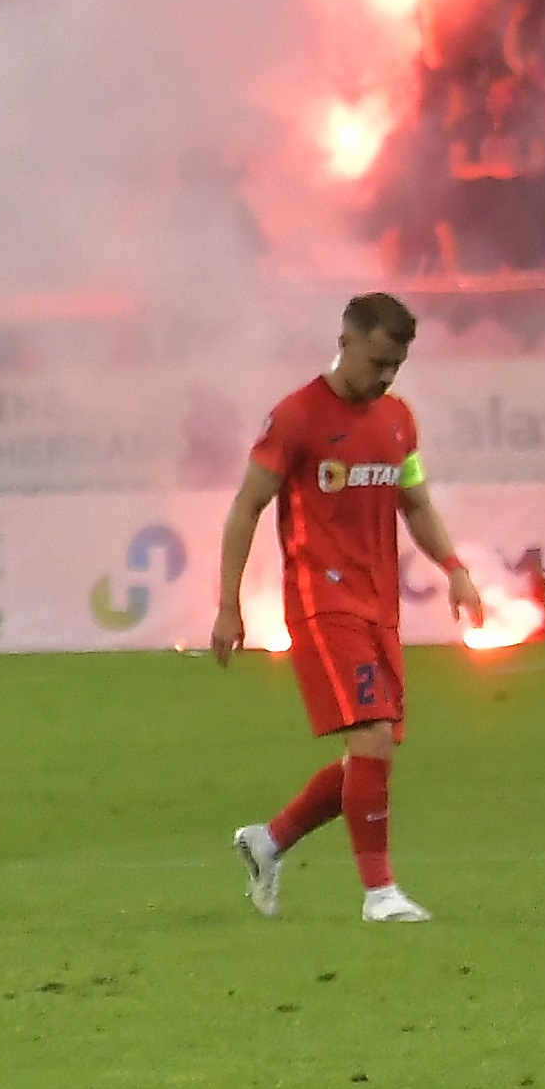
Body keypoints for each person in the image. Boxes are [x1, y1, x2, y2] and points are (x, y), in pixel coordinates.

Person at [214, 293, 489, 925]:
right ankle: (379, 894)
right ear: (345, 341)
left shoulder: (398, 422)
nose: (387, 376)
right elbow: (245, 507)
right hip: (321, 602)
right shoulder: (297, 417)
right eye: (379, 361)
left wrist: (456, 570)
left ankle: (269, 841)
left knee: (376, 749)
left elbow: (414, 502)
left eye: (398, 365)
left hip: (378, 607)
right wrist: (228, 605)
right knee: (370, 737)